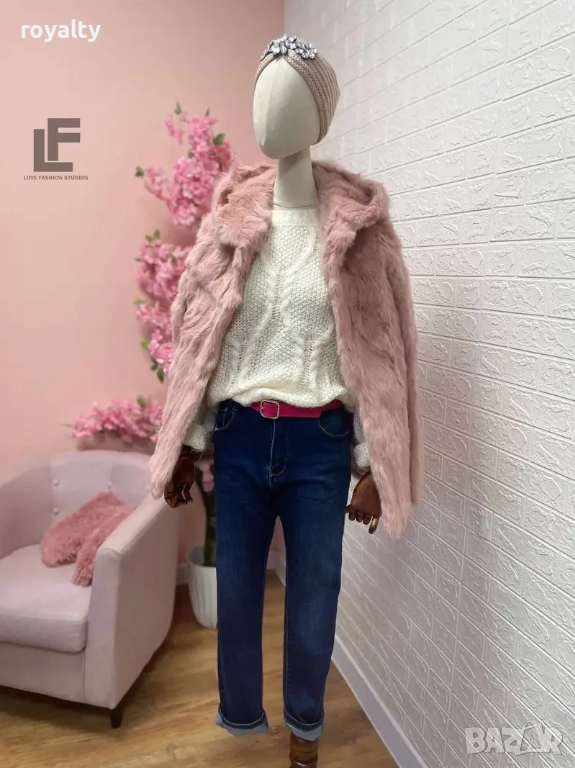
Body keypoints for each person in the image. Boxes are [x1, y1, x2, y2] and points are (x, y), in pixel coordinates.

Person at [148, 35, 424, 768]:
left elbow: (379, 357)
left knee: (313, 596)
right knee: (237, 592)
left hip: (319, 445)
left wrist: (372, 462)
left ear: (320, 116)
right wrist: (190, 441)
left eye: (289, 95)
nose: (267, 111)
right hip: (240, 437)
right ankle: (241, 716)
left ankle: (306, 734)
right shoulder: (230, 220)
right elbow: (201, 341)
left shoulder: (360, 234)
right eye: (262, 92)